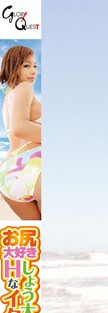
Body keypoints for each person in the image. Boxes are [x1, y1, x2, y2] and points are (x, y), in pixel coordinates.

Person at [0, 46, 41, 220]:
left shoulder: (9, 97)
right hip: (31, 163)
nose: (33, 71)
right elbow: (19, 127)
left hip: (9, 171)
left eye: (35, 66)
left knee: (37, 230)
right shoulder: (25, 88)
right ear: (13, 66)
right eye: (26, 66)